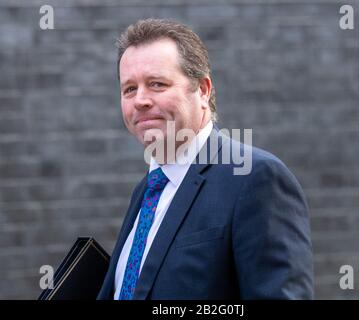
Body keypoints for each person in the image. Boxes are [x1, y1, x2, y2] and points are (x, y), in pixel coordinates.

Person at [97, 18, 313, 300]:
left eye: (157, 84)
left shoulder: (254, 178)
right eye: (129, 89)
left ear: (203, 90)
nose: (140, 100)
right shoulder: (147, 190)